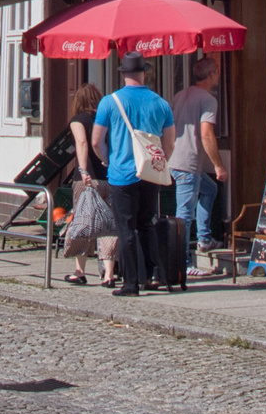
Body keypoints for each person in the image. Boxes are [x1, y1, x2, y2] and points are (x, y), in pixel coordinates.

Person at [92, 52, 175, 297]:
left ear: (124, 74)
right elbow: (169, 144)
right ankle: (151, 277)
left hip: (121, 175)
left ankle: (130, 283)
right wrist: (158, 164)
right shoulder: (161, 103)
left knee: (125, 228)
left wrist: (108, 160)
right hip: (149, 174)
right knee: (147, 224)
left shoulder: (110, 102)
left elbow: (97, 141)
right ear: (144, 73)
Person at [168, 57, 226, 274]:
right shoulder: (208, 99)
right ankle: (182, 263)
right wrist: (218, 165)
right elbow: (206, 134)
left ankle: (204, 238)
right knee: (184, 214)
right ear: (211, 75)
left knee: (209, 190)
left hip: (175, 158)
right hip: (188, 162)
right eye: (217, 72)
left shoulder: (180, 95)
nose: (218, 76)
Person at [63, 83, 117, 286]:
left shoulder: (78, 120)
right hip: (109, 176)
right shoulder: (106, 120)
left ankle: (80, 270)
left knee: (85, 223)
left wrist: (84, 170)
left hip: (87, 179)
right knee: (109, 225)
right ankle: (109, 274)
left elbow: (82, 142)